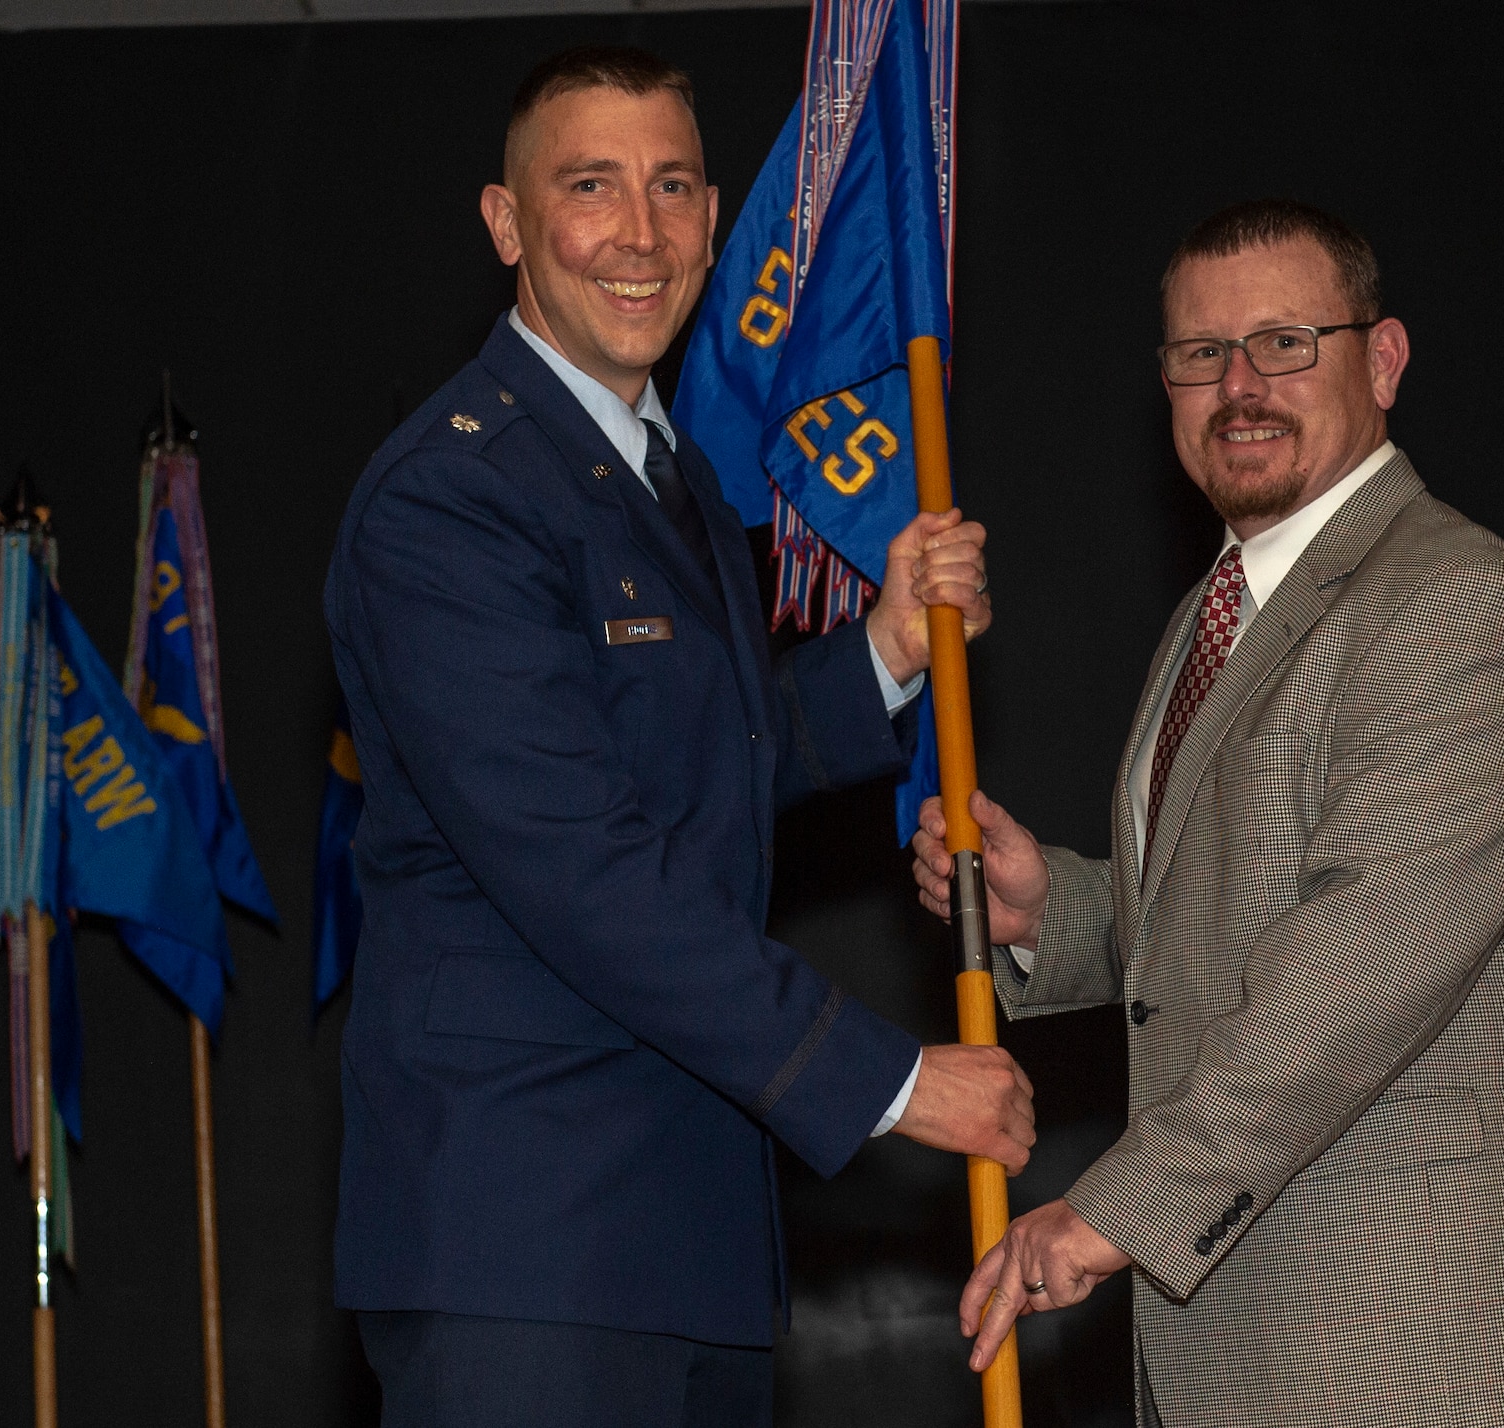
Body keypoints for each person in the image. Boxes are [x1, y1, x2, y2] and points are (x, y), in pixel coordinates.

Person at [324, 46, 1034, 1428]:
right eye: (589, 188)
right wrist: (887, 1081)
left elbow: (695, 756)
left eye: (670, 189)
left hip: (686, 1241)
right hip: (527, 1244)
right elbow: (579, 864)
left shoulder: (673, 478)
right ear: (507, 223)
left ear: (714, 219)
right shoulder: (449, 497)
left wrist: (885, 651)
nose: (638, 235)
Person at [913, 200, 1504, 1427]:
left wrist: (1116, 1207)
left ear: (1382, 358)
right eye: (1199, 354)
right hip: (1269, 1356)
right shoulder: (1225, 606)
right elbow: (1242, 919)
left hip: (1434, 1354)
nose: (1238, 385)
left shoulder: (1455, 607)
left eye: (1285, 342)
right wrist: (1061, 910)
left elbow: (1360, 965)